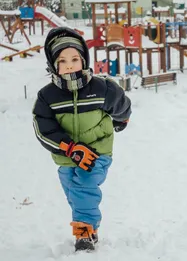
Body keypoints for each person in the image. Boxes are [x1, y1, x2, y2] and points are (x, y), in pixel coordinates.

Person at [32, 27, 131, 251]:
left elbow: (121, 104)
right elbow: (43, 129)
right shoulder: (47, 96)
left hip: (98, 153)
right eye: (63, 60)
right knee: (74, 193)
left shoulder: (101, 88)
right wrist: (69, 148)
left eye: (75, 58)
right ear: (54, 65)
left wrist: (121, 120)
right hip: (67, 157)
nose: (69, 64)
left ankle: (84, 233)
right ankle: (88, 226)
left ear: (84, 60)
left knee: (84, 186)